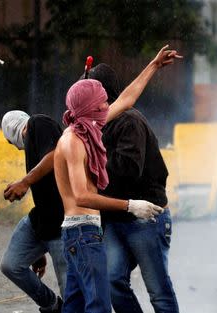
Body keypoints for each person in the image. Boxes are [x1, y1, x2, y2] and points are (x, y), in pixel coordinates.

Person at [55, 77, 169, 313]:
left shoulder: (87, 127)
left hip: (81, 233)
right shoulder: (74, 140)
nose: (108, 107)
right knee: (99, 307)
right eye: (102, 103)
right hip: (83, 232)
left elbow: (126, 99)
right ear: (90, 108)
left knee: (74, 306)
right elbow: (82, 197)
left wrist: (155, 66)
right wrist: (130, 205)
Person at [85, 45, 181, 313]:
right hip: (116, 218)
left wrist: (89, 162)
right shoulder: (96, 126)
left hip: (145, 217)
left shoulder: (128, 122)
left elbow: (128, 170)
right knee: (113, 280)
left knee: (158, 291)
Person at [0, 110, 66, 313]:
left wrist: (25, 181)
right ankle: (52, 306)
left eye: (11, 143)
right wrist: (38, 247)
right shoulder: (32, 145)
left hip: (63, 221)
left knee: (71, 289)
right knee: (11, 264)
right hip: (42, 219)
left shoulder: (38, 123)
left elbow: (57, 154)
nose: (16, 147)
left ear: (12, 132)